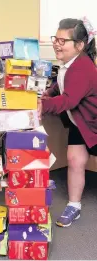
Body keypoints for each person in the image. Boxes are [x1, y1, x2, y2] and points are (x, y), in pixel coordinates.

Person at [38, 17, 97, 227]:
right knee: (74, 160)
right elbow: (61, 83)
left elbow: (68, 99)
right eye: (56, 38)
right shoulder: (69, 64)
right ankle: (74, 205)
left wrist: (41, 106)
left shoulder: (82, 68)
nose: (56, 43)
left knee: (76, 160)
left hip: (93, 125)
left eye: (63, 41)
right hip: (80, 123)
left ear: (80, 46)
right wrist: (49, 92)